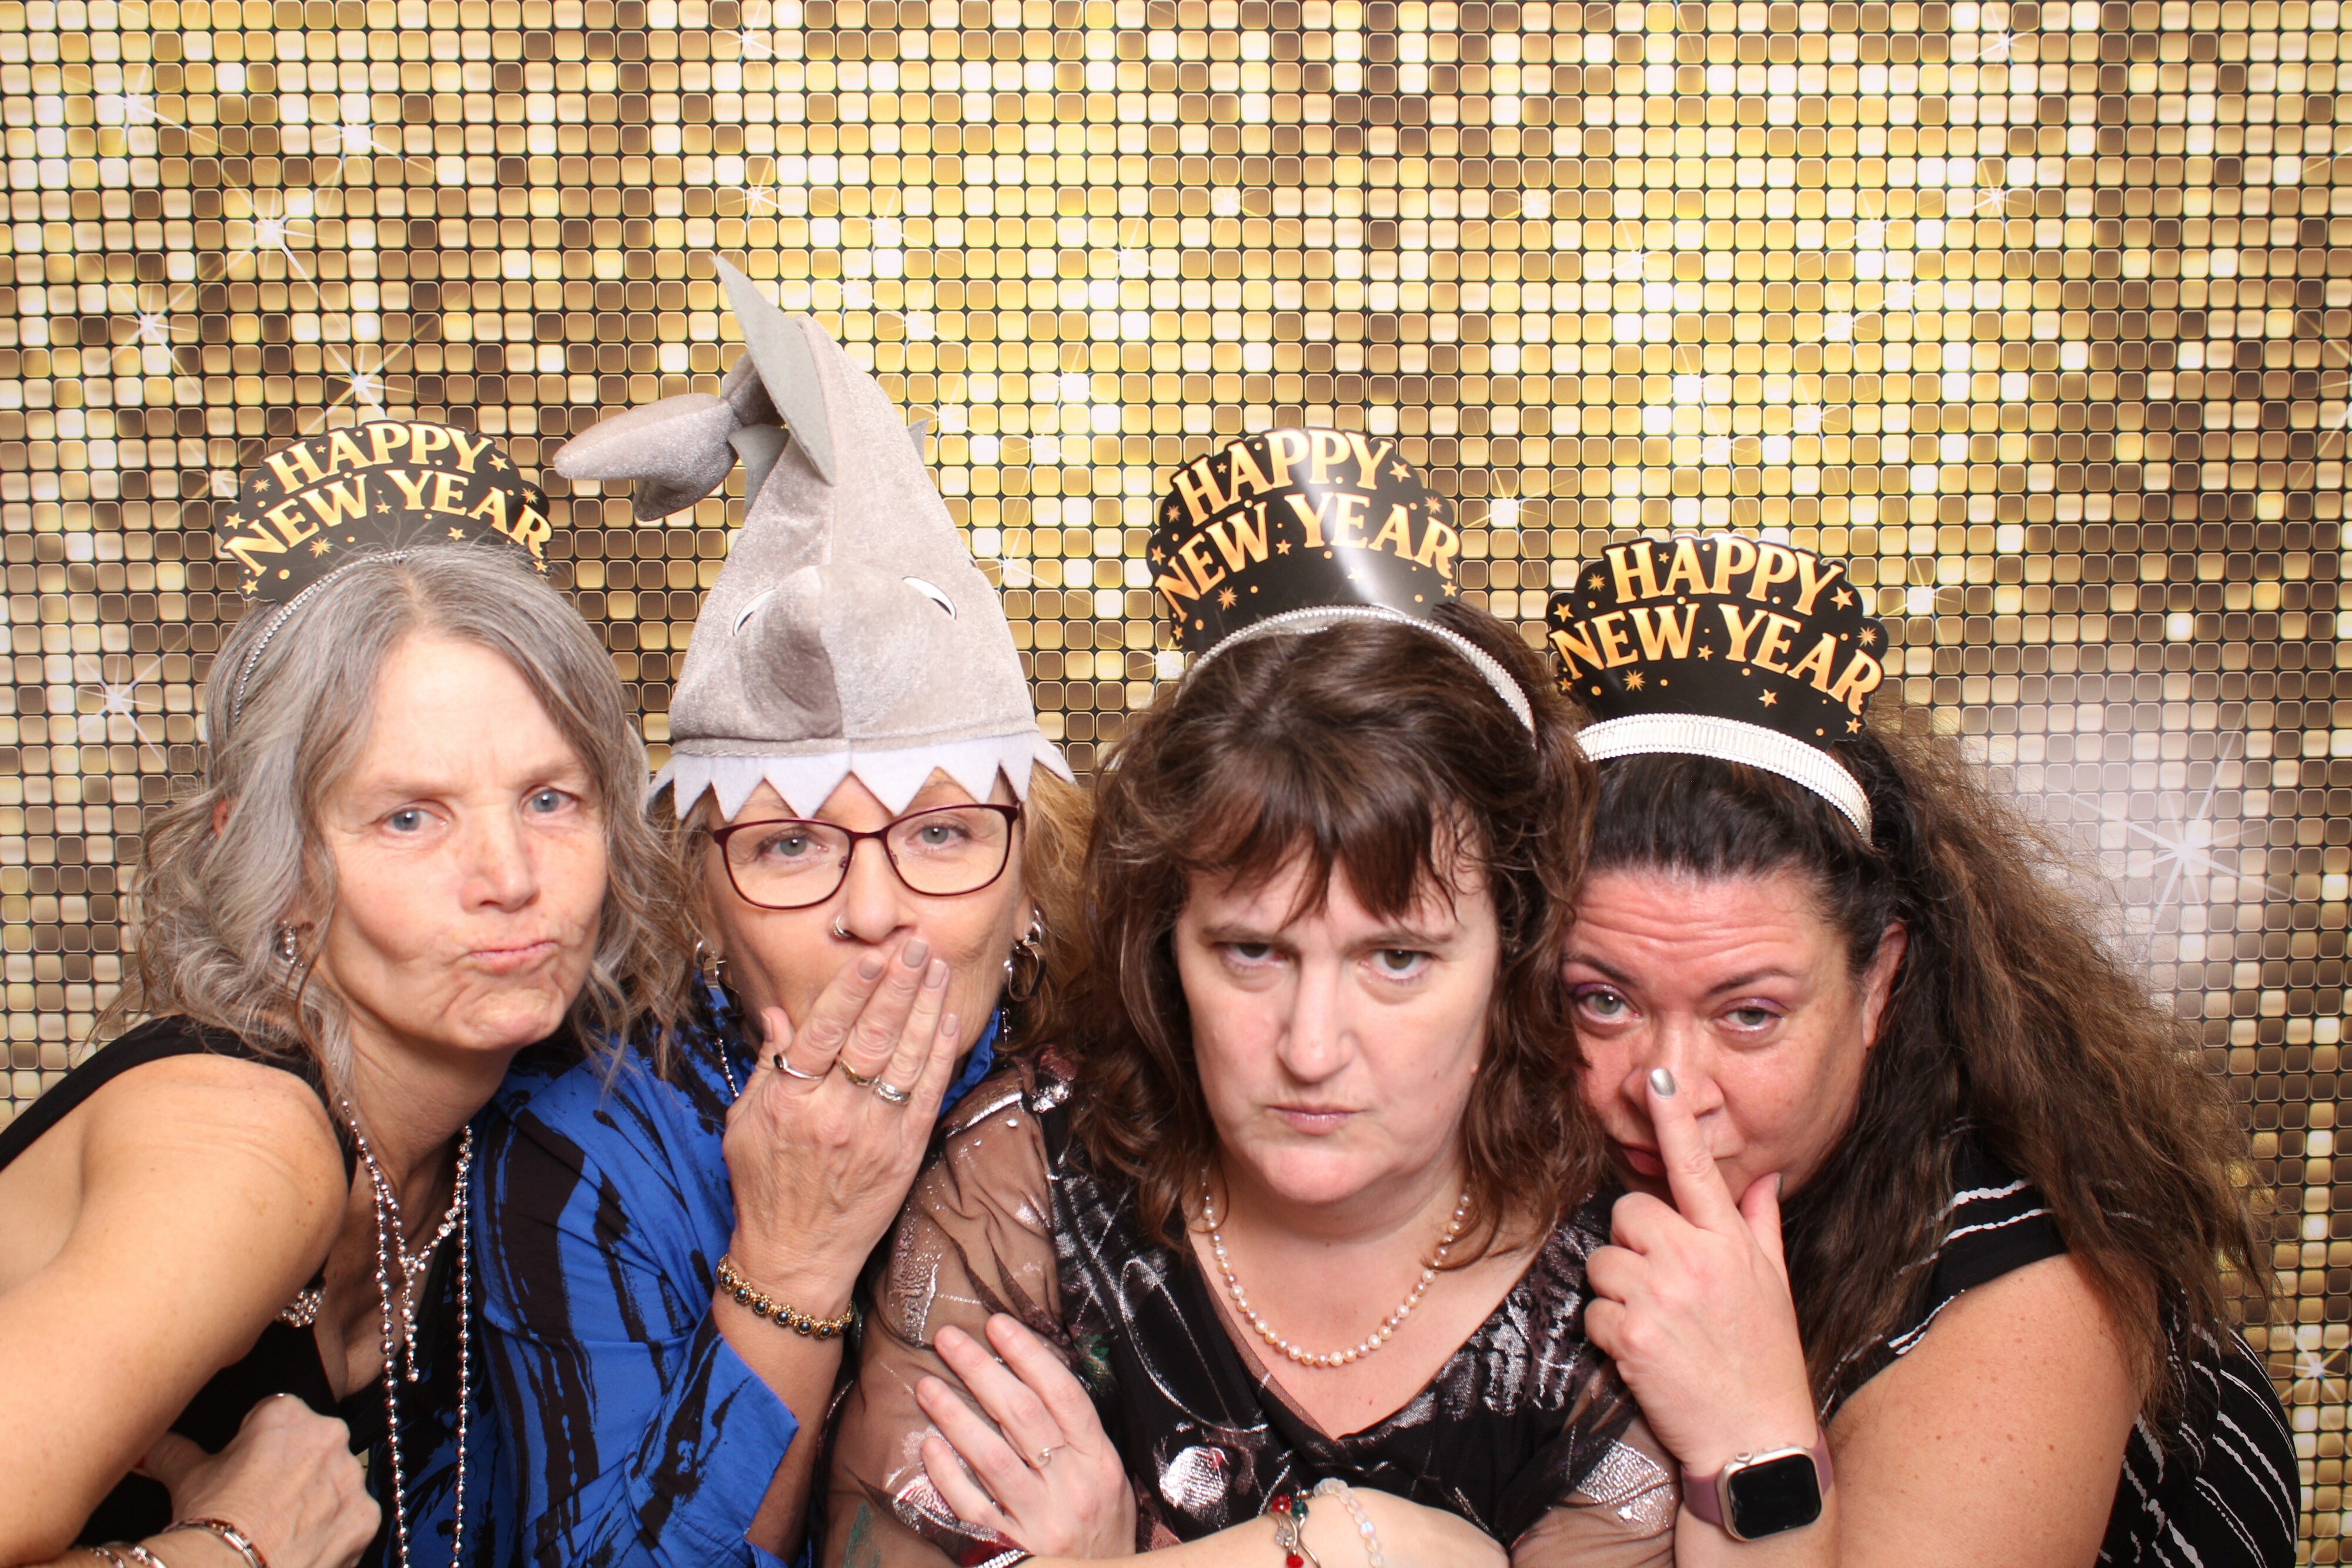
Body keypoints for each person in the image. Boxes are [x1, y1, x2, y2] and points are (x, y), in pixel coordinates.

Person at [821, 433, 1677, 1568]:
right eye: (1253, 952)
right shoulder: (1028, 1181)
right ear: (1166, 941)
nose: (1311, 1050)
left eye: (1398, 960)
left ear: (1513, 949)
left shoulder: (1617, 1268)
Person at [471, 260, 1085, 1568]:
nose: (875, 909)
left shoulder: (1118, 1109)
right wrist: (795, 1262)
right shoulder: (579, 1160)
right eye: (791, 843)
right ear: (699, 891)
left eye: (941, 833)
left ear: (1032, 875)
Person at [0, 423, 687, 1568]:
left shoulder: (504, 1136)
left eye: (550, 799)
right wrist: (237, 1549)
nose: (510, 877)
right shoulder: (243, 1147)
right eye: (408, 817)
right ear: (279, 868)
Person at [1544, 533, 2296, 1564]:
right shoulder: (1532, 1180)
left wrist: (1746, 1430)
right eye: (1602, 1002)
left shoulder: (2026, 1296)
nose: (1666, 1091)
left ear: (1878, 985)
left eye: (1749, 1015)